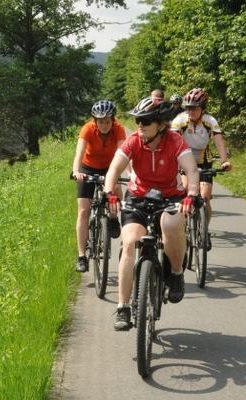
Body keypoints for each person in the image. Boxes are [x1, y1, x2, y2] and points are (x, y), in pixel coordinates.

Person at [103, 97, 200, 331]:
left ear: (161, 124)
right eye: (138, 120)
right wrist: (110, 193)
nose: (140, 125)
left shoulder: (175, 141)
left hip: (170, 196)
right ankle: (123, 307)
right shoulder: (133, 141)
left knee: (173, 222)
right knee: (130, 242)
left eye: (146, 121)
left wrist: (192, 194)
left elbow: (191, 169)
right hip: (137, 197)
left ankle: (176, 273)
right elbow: (114, 170)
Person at [171, 87, 231, 250]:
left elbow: (219, 141)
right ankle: (184, 226)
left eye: (195, 108)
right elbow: (172, 143)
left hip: (204, 162)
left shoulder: (210, 121)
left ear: (202, 109)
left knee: (204, 198)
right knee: (185, 189)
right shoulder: (179, 120)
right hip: (184, 160)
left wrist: (224, 161)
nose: (191, 111)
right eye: (188, 107)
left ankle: (203, 230)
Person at [72, 100, 126, 272]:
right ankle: (82, 256)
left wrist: (130, 174)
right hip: (87, 168)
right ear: (95, 121)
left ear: (113, 120)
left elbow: (123, 153)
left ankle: (112, 218)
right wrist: (76, 172)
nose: (104, 125)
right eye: (100, 121)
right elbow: (79, 152)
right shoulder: (87, 129)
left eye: (107, 121)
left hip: (109, 167)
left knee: (116, 188)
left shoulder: (119, 129)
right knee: (83, 211)